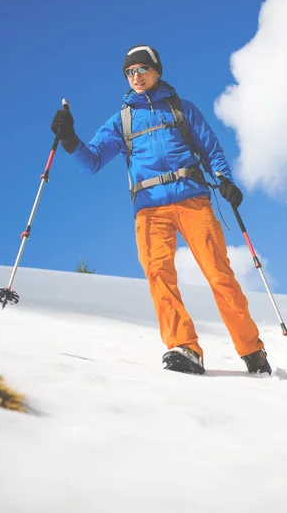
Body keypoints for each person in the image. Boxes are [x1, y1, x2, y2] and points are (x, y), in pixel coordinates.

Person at [51, 45, 271, 376]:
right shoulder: (122, 120)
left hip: (193, 200)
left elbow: (211, 149)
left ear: (157, 71)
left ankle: (251, 349)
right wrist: (69, 139)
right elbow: (92, 161)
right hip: (150, 210)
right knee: (159, 275)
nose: (136, 77)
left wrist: (224, 180)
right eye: (130, 72)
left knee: (219, 273)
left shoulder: (182, 109)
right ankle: (184, 347)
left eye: (142, 69)